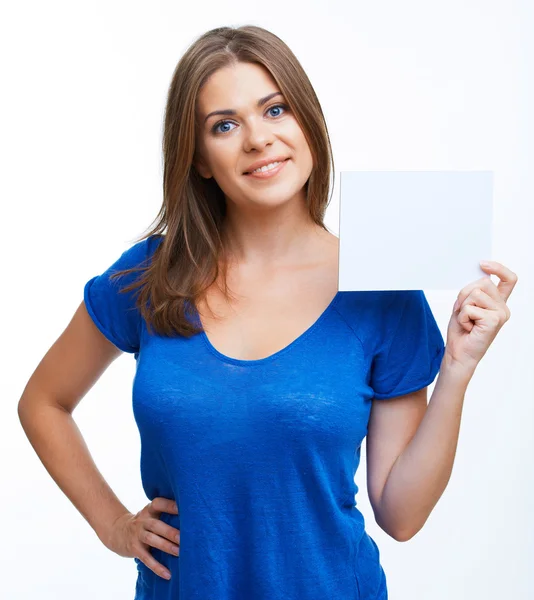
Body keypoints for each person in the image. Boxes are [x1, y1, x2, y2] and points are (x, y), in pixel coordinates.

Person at [18, 24, 517, 600]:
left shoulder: (383, 289)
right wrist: (113, 525)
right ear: (200, 159)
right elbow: (44, 402)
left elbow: (401, 516)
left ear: (306, 122)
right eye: (224, 125)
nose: (258, 138)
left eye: (275, 110)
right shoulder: (153, 274)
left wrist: (456, 370)